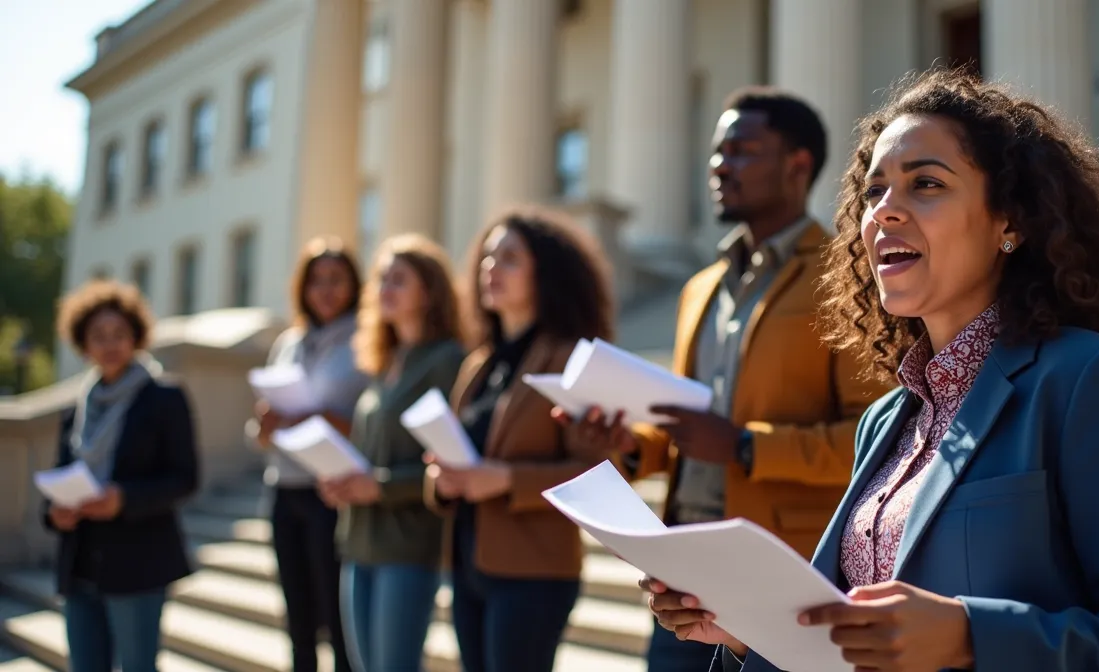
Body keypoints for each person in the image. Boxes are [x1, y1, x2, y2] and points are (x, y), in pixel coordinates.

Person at [645, 68, 1099, 672]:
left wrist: (971, 636)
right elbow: (850, 648)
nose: (884, 214)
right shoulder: (884, 420)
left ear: (1010, 221)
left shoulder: (1097, 381)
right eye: (874, 193)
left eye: (925, 183)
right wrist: (749, 628)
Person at [567, 86, 891, 672]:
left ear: (797, 165)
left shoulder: (847, 278)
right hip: (680, 581)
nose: (719, 165)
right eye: (718, 151)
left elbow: (873, 443)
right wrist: (626, 448)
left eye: (741, 150)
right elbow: (682, 436)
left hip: (779, 578)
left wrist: (744, 445)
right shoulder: (700, 290)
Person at [421, 207, 616, 672]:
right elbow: (456, 459)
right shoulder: (478, 364)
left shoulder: (572, 358)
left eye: (509, 258)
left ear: (544, 273)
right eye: (488, 257)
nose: (491, 268)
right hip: (468, 566)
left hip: (534, 573)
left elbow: (598, 476)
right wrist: (441, 481)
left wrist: (506, 480)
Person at [318, 234, 466, 672]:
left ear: (430, 292)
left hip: (408, 546)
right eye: (382, 278)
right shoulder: (383, 363)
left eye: (399, 279)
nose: (385, 287)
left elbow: (453, 463)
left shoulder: (448, 361)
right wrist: (342, 481)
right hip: (358, 542)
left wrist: (376, 487)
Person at [44, 280, 198, 672]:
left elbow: (185, 478)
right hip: (80, 562)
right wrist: (55, 513)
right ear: (83, 344)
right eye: (99, 336)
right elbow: (59, 480)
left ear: (136, 337)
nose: (110, 344)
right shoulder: (76, 409)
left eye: (119, 334)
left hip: (139, 562)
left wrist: (123, 499)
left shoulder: (164, 397)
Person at [248, 238, 368, 672]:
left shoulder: (366, 341)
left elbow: (375, 423)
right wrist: (263, 427)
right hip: (284, 490)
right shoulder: (289, 342)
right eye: (316, 280)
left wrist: (327, 419)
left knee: (338, 624)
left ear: (354, 285)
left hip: (332, 492)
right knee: (297, 620)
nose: (326, 289)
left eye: (336, 280)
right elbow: (264, 430)